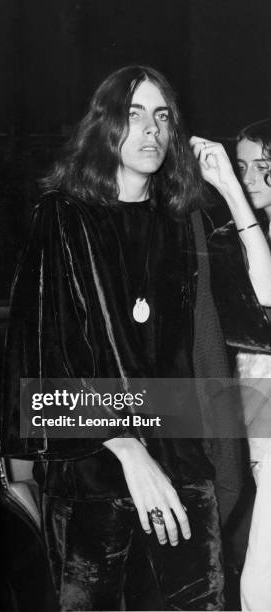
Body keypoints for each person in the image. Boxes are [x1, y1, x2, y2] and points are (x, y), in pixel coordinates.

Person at [2, 65, 245, 611]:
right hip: (95, 467)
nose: (151, 130)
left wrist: (230, 188)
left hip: (180, 465)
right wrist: (129, 450)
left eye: (162, 116)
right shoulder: (62, 216)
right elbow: (38, 366)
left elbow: (250, 312)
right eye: (134, 115)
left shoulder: (181, 222)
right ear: (105, 126)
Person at [208, 119, 271, 611]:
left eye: (262, 168)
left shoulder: (243, 227)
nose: (249, 178)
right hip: (251, 408)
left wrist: (230, 190)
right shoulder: (231, 237)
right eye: (242, 168)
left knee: (260, 579)